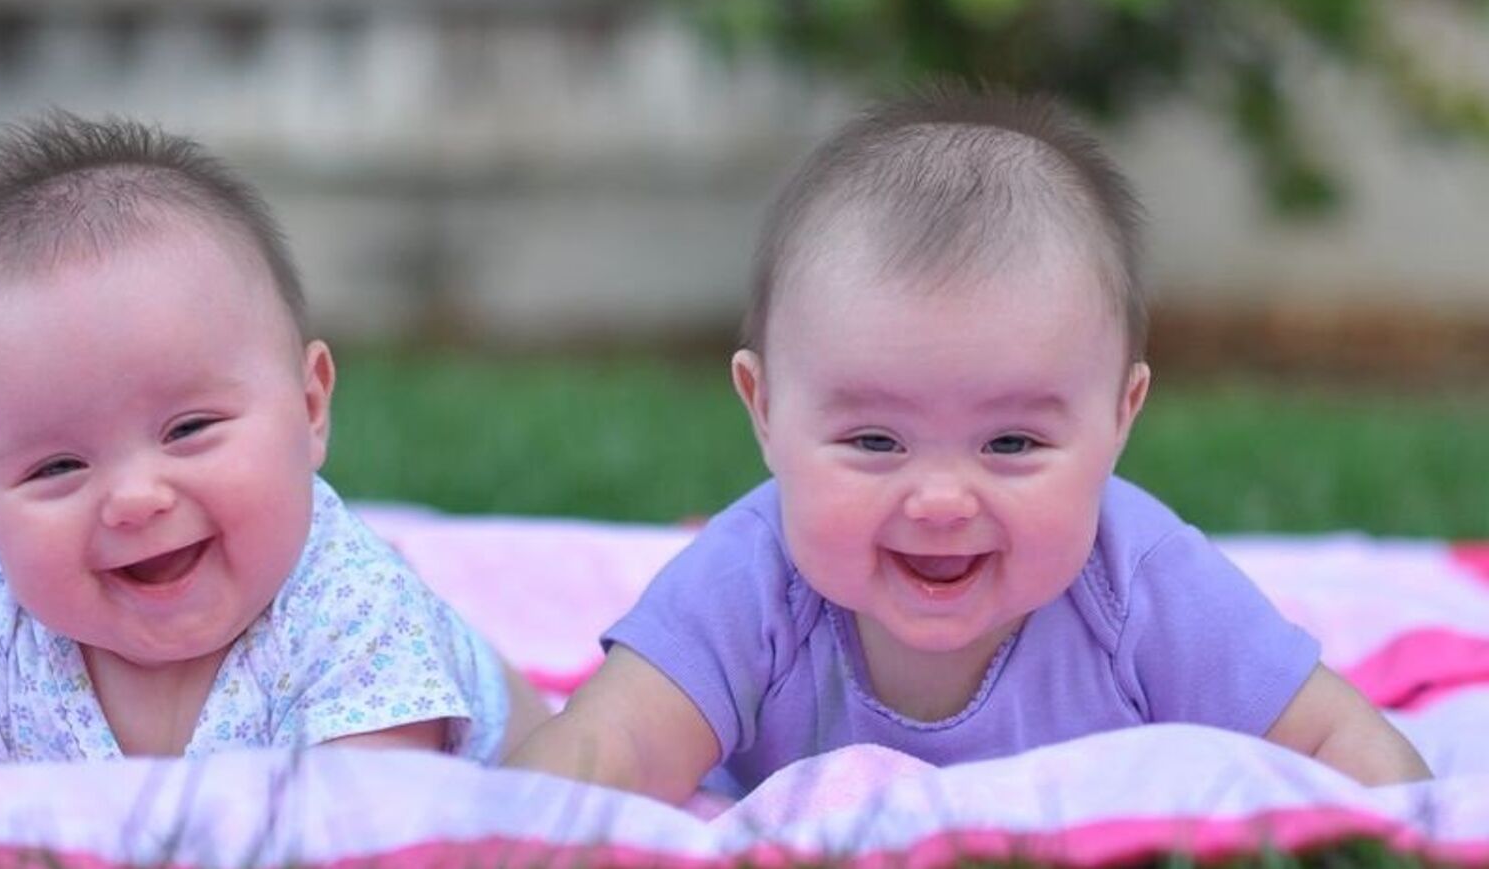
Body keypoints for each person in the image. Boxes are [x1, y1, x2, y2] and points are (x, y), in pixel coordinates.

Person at [507, 86, 1432, 800]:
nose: (942, 499)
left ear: (1120, 418)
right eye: (875, 439)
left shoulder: (1144, 585)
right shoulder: (750, 579)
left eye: (1012, 442)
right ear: (764, 409)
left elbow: (1343, 746)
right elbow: (604, 751)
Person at [0, 111, 545, 765]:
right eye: (58, 465)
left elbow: (362, 826)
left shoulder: (354, 609)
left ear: (309, 408)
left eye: (189, 428)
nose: (135, 497)